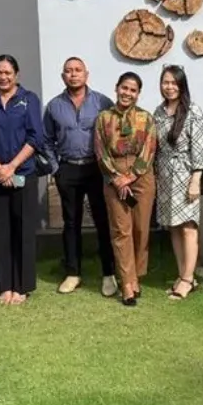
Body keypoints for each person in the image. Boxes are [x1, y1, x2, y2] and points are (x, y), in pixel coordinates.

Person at [42, 57, 118, 297]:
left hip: (96, 169)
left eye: (77, 70)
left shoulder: (102, 102)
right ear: (62, 76)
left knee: (102, 220)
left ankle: (108, 273)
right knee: (71, 222)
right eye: (68, 71)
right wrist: (56, 168)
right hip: (68, 169)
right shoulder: (54, 106)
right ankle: (73, 273)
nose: (73, 74)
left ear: (86, 74)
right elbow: (46, 140)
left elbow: (114, 135)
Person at [0, 54, 45, 306]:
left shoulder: (28, 99)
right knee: (1, 230)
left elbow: (36, 137)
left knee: (23, 230)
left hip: (23, 173)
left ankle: (22, 286)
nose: (3, 77)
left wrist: (12, 166)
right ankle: (5, 285)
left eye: (7, 73)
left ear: (16, 75)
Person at [94, 72, 159, 307]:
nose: (127, 93)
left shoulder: (146, 117)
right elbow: (100, 151)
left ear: (138, 94)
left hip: (141, 175)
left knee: (141, 229)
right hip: (114, 176)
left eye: (133, 90)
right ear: (117, 88)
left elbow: (150, 148)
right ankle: (127, 283)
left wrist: (131, 176)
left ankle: (136, 275)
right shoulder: (103, 118)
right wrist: (117, 178)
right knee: (121, 231)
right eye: (124, 88)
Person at [152, 65, 203, 301]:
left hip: (186, 174)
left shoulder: (193, 110)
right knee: (173, 226)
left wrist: (196, 179)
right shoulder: (159, 112)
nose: (169, 87)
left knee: (188, 227)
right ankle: (183, 274)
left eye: (174, 83)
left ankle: (187, 278)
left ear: (182, 85)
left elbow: (200, 148)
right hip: (164, 175)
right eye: (166, 82)